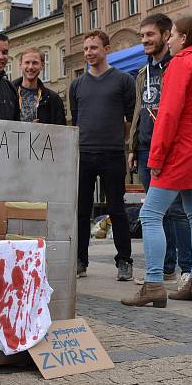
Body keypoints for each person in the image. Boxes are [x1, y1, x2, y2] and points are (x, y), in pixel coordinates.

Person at [122, 16, 192, 308]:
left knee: (151, 214)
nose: (170, 40)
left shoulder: (180, 63)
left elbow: (167, 114)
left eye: (173, 35)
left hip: (180, 144)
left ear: (185, 37)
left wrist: (156, 156)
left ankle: (153, 283)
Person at [128, 14, 192, 289]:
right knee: (155, 213)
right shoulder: (143, 72)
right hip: (145, 148)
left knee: (177, 210)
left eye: (150, 35)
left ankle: (187, 270)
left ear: (166, 36)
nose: (144, 40)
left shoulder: (177, 67)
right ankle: (165, 268)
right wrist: (132, 146)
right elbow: (138, 110)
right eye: (142, 36)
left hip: (171, 149)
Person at [69, 30, 136, 281]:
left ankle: (124, 261)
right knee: (81, 211)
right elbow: (76, 120)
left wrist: (121, 141)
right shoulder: (77, 85)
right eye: (86, 48)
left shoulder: (123, 80)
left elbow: (130, 117)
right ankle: (79, 260)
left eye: (94, 48)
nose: (89, 53)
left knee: (117, 208)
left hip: (112, 152)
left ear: (106, 49)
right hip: (84, 153)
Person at [12, 48, 66, 125]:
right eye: (27, 62)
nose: (30, 67)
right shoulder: (9, 95)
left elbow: (61, 131)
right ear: (20, 65)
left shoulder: (53, 99)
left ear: (42, 65)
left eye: (35, 63)